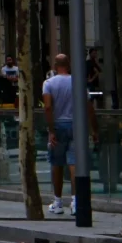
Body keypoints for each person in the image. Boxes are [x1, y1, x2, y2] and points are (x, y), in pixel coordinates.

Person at [43, 53, 79, 215]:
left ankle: (58, 202)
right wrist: (93, 129)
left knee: (57, 163)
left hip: (58, 125)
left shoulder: (49, 83)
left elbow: (48, 107)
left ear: (55, 66)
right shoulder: (77, 81)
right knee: (74, 163)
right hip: (75, 125)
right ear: (69, 64)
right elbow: (88, 105)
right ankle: (76, 201)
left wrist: (51, 130)